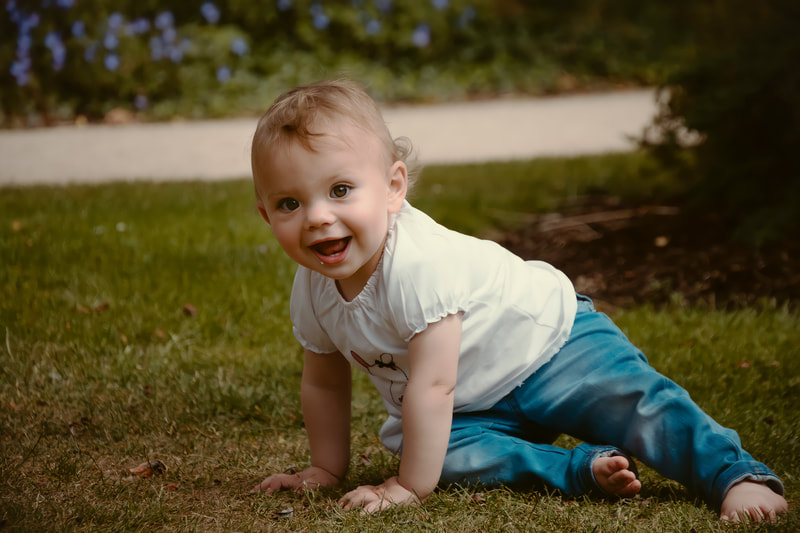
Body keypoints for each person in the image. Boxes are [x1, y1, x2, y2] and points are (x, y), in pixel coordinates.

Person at [248, 79, 788, 522]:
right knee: (441, 449)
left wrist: (409, 488)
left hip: (553, 346)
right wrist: (325, 470)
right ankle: (579, 471)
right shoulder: (313, 287)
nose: (318, 216)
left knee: (638, 404)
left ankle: (735, 475)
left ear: (394, 188)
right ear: (266, 214)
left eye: (341, 190)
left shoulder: (415, 264)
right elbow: (323, 381)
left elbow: (433, 385)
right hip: (473, 405)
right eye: (291, 202)